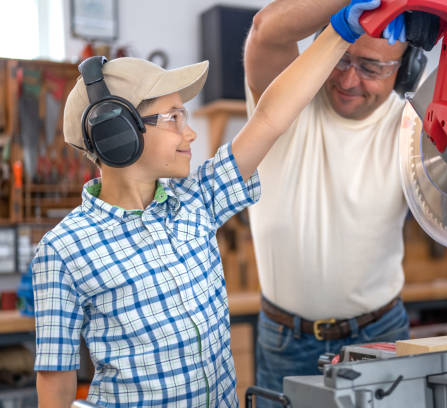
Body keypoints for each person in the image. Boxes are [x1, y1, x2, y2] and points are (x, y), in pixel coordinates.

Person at [31, 2, 396, 406]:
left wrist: (340, 33)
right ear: (118, 132)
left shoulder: (196, 202)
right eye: (173, 118)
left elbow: (271, 117)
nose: (189, 135)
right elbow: (56, 381)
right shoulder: (64, 250)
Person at [244, 1, 447, 405]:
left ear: (404, 70)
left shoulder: (412, 126)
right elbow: (266, 29)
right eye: (341, 58)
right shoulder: (285, 102)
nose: (349, 79)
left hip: (379, 334)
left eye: (372, 68)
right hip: (284, 338)